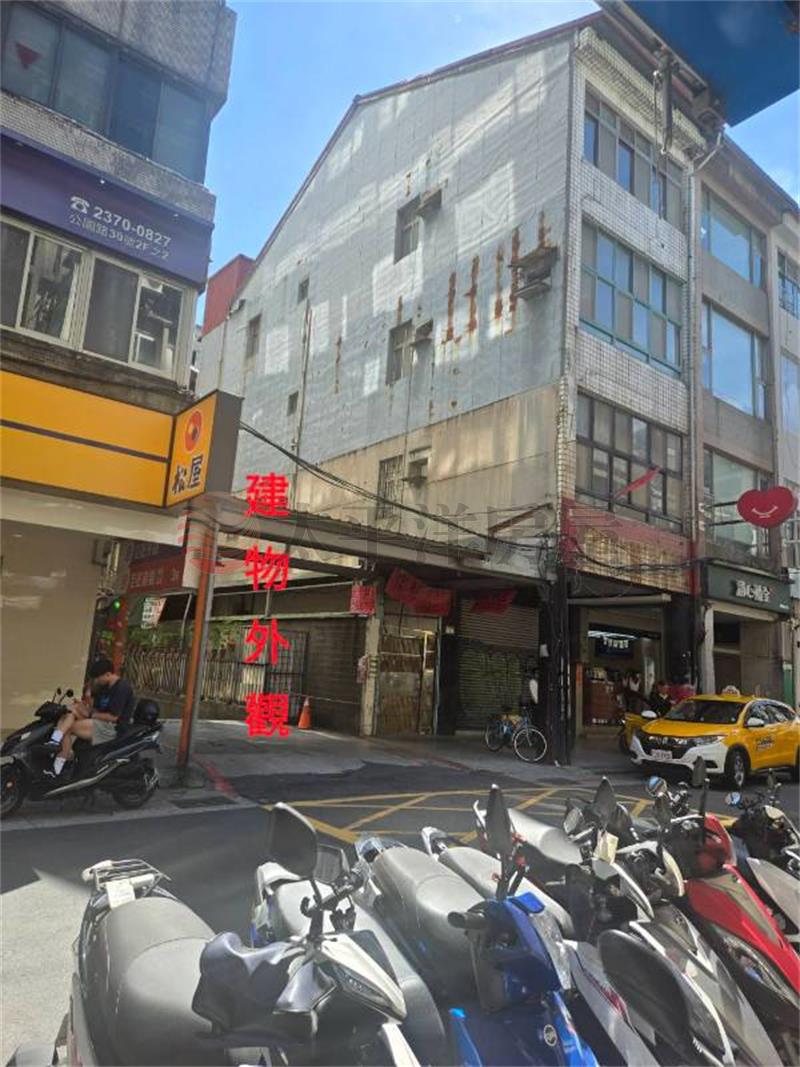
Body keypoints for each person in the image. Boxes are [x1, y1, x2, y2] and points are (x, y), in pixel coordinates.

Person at [44, 659, 135, 776]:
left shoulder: (122, 688)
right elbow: (95, 709)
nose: (96, 681)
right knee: (70, 712)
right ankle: (55, 741)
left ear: (108, 674)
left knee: (68, 728)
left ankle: (57, 767)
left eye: (98, 678)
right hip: (100, 721)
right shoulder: (103, 686)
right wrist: (83, 704)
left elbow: (113, 717)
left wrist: (90, 714)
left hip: (113, 729)